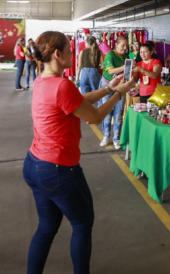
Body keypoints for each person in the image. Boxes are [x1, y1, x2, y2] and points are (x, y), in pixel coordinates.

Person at [23, 31, 134, 274]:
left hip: (35, 164)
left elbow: (77, 100)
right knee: (83, 223)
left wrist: (108, 89)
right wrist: (119, 93)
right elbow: (93, 117)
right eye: (70, 50)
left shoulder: (44, 80)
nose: (74, 53)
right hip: (57, 168)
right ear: (57, 54)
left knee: (47, 227)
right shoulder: (62, 85)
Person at [98, 35, 130, 149]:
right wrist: (126, 67)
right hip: (107, 85)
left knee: (118, 113)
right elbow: (110, 71)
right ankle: (106, 136)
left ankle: (116, 138)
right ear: (116, 45)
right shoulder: (110, 55)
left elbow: (128, 73)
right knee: (107, 112)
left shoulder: (126, 56)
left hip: (120, 86)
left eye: (126, 45)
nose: (125, 48)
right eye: (122, 45)